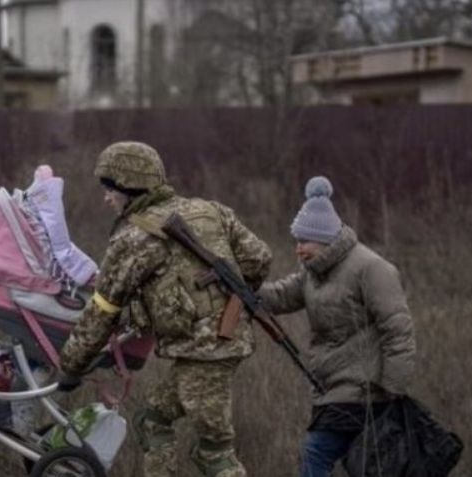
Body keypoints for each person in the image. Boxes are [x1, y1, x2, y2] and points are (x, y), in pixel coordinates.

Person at [57, 141, 272, 477]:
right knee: (151, 421)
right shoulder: (211, 210)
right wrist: (226, 301)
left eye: (109, 188)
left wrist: (70, 366)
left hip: (204, 351)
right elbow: (259, 259)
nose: (106, 198)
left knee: (215, 455)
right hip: (221, 343)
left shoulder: (132, 238)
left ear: (129, 186)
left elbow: (101, 312)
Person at [257, 176, 416, 477]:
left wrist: (392, 392)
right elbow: (278, 296)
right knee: (361, 465)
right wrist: (241, 286)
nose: (298, 249)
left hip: (367, 392)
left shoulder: (372, 268)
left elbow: (398, 331)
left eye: (304, 242)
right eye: (297, 241)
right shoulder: (313, 273)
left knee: (317, 453)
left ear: (325, 239)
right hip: (332, 389)